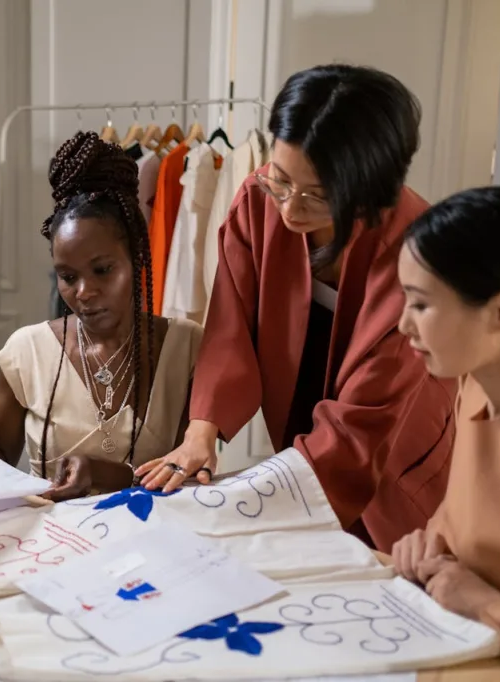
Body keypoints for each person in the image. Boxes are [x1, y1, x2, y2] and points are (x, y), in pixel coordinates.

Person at [137, 64, 456, 553]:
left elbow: (362, 421)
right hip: (306, 424)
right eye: (281, 181)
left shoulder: (417, 249)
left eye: (318, 195)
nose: (288, 209)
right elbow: (230, 325)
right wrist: (201, 434)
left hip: (395, 445)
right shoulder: (258, 199)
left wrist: (244, 501)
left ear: (371, 188)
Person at [0, 131, 203, 501]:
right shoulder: (28, 351)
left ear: (136, 258)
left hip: (155, 546)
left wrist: (108, 474)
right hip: (48, 545)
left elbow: (190, 473)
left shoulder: (188, 347)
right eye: (68, 277)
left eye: (102, 270)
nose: (84, 292)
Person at [391, 187, 500, 681]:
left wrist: (486, 604)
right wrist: (431, 542)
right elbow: (468, 514)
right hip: (457, 640)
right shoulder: (476, 385)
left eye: (421, 305)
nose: (403, 325)